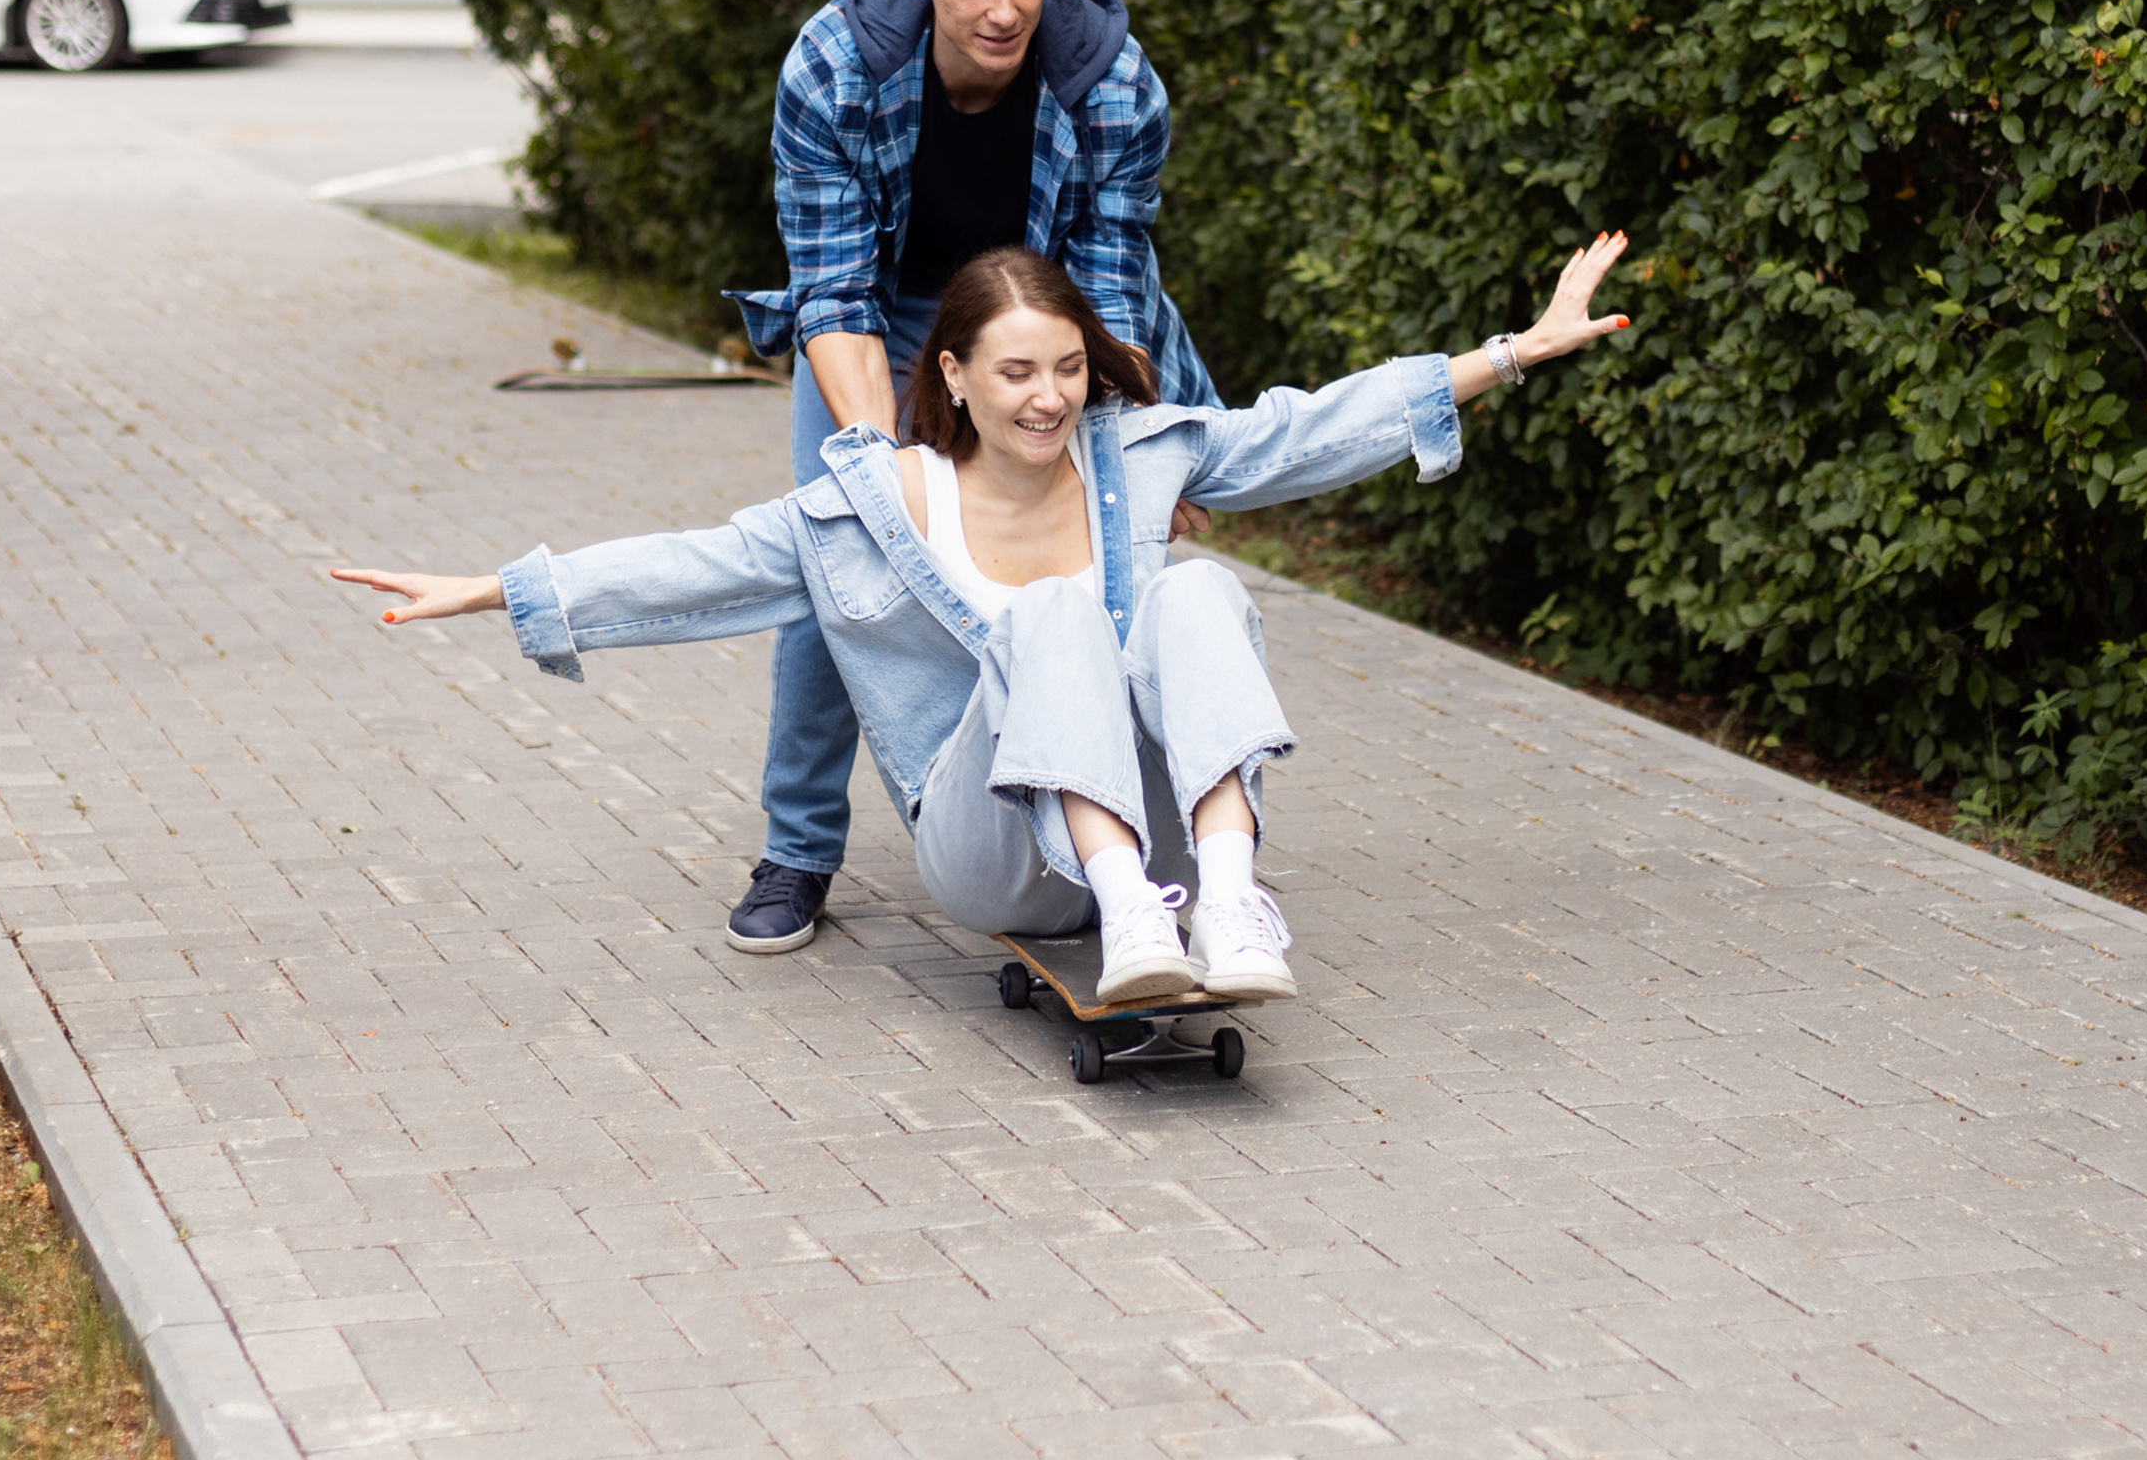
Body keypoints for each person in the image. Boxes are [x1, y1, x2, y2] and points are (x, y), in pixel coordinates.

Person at [333, 236, 1633, 1007]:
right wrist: (496, 587)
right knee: (1055, 619)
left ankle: (1226, 902)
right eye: (1019, 371)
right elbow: (702, 568)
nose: (1052, 397)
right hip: (989, 844)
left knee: (1196, 586)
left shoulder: (1139, 455)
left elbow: (1306, 429)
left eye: (1069, 366)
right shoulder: (874, 507)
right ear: (953, 374)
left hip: (1159, 815)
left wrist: (1517, 349)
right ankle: (1129, 911)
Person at [725, 0, 1218, 961]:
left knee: (1107, 548)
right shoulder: (833, 68)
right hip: (883, 312)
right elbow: (832, 290)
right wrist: (876, 475)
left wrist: (1131, 454)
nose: (1004, 9)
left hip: (1039, 320)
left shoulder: (1113, 82)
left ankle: (1122, 832)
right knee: (835, 561)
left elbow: (1108, 291)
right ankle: (797, 849)